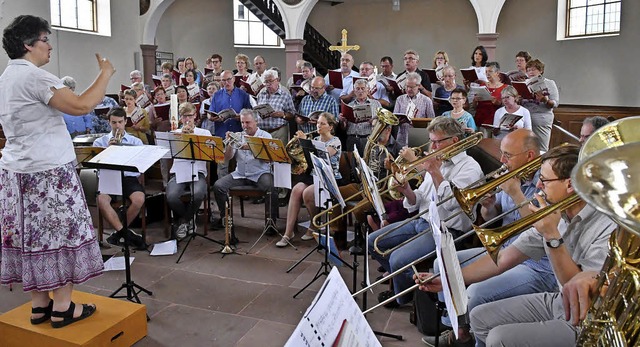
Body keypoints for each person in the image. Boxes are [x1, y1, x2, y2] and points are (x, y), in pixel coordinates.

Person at [416, 145, 616, 347]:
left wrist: (551, 235)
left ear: (571, 185)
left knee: (498, 338)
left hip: (587, 318)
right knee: (478, 317)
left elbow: (578, 289)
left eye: (545, 180)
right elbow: (503, 258)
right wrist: (449, 281)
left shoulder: (606, 225)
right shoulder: (559, 212)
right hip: (559, 299)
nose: (538, 185)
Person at [0, 15, 114, 328]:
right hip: (47, 173)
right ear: (28, 45)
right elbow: (80, 105)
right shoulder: (35, 77)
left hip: (16, 173)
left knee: (33, 239)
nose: (50, 45)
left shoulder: (6, 78)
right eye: (45, 39)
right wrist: (105, 74)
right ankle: (63, 307)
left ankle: (40, 306)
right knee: (59, 236)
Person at [420, 129, 556, 347]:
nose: (502, 161)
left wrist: (515, 193)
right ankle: (460, 331)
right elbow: (491, 217)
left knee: (476, 293)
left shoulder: (549, 181)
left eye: (507, 155)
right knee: (440, 264)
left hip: (536, 263)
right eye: (502, 154)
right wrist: (488, 205)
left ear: (530, 156)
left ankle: (468, 335)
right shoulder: (514, 175)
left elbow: (540, 229)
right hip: (506, 247)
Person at [367, 117, 483, 307]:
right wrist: (407, 191)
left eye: (437, 141)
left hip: (446, 230)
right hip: (422, 221)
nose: (433, 146)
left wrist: (435, 172)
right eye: (432, 141)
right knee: (373, 242)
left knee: (397, 259)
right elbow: (421, 197)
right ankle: (412, 286)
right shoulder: (440, 161)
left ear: (454, 141)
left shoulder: (469, 168)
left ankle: (402, 297)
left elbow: (452, 204)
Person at [277, 113, 341, 247]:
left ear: (330, 127)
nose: (319, 126)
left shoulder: (335, 141)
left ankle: (314, 224)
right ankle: (288, 233)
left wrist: (305, 141)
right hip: (313, 175)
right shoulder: (316, 138)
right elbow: (307, 159)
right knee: (296, 190)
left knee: (307, 193)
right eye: (318, 123)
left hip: (329, 178)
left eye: (323, 124)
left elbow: (321, 155)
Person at [212, 109, 277, 229]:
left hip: (260, 173)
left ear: (256, 121)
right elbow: (227, 158)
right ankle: (225, 219)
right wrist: (229, 144)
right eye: (242, 123)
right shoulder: (239, 136)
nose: (245, 126)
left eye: (248, 122)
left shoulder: (266, 136)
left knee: (271, 187)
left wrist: (252, 147)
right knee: (218, 186)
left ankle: (271, 223)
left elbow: (269, 160)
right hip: (241, 174)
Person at [92, 107, 146, 250]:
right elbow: (96, 167)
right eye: (114, 122)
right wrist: (108, 152)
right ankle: (128, 234)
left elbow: (140, 167)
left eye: (120, 122)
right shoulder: (100, 142)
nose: (117, 126)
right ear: (109, 123)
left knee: (139, 199)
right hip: (109, 177)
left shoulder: (136, 142)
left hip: (128, 177)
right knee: (101, 199)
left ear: (125, 122)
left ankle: (118, 233)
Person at [166, 102, 212, 239]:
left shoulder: (204, 133)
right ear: (180, 118)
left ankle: (183, 221)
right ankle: (189, 219)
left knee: (198, 193)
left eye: (190, 116)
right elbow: (167, 154)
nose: (187, 120)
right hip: (178, 171)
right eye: (184, 116)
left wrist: (193, 138)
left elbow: (210, 154)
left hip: (197, 171)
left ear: (195, 116)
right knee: (172, 196)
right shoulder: (174, 134)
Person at [208, 70, 252, 179]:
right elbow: (210, 112)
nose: (226, 82)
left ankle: (241, 191)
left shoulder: (243, 95)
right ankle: (222, 190)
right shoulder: (217, 95)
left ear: (233, 79)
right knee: (222, 165)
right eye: (223, 80)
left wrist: (240, 117)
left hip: (239, 133)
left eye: (228, 79)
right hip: (222, 133)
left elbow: (250, 113)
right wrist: (212, 117)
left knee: (241, 163)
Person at [521, 59, 559, 151]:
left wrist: (545, 100)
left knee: (541, 148)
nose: (531, 72)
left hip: (541, 118)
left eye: (533, 69)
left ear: (541, 70)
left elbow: (555, 103)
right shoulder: (524, 84)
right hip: (525, 118)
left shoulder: (549, 83)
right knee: (525, 148)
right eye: (528, 70)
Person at [339, 79, 382, 155]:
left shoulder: (376, 104)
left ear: (368, 90)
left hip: (369, 138)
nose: (360, 91)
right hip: (352, 139)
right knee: (352, 164)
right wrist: (342, 121)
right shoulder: (349, 106)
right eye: (357, 89)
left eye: (363, 88)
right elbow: (344, 128)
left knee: (368, 163)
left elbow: (381, 122)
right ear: (354, 91)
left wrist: (374, 121)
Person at [393, 72, 435, 148]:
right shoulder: (400, 99)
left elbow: (432, 122)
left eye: (412, 87)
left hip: (419, 137)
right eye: (407, 86)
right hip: (402, 136)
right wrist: (399, 120)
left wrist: (417, 122)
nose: (409, 89)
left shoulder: (426, 100)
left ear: (418, 86)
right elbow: (394, 119)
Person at [256, 69, 295, 146]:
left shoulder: (285, 95)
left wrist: (282, 114)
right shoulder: (261, 93)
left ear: (277, 80)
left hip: (278, 132)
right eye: (266, 81)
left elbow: (292, 114)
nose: (268, 84)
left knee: (278, 157)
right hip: (262, 132)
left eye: (270, 81)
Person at [472, 61, 506, 127]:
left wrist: (499, 103)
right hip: (480, 119)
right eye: (486, 71)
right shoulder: (482, 85)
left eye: (490, 71)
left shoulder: (504, 88)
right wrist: (475, 101)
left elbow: (508, 106)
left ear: (497, 73)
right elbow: (474, 106)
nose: (487, 74)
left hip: (495, 119)